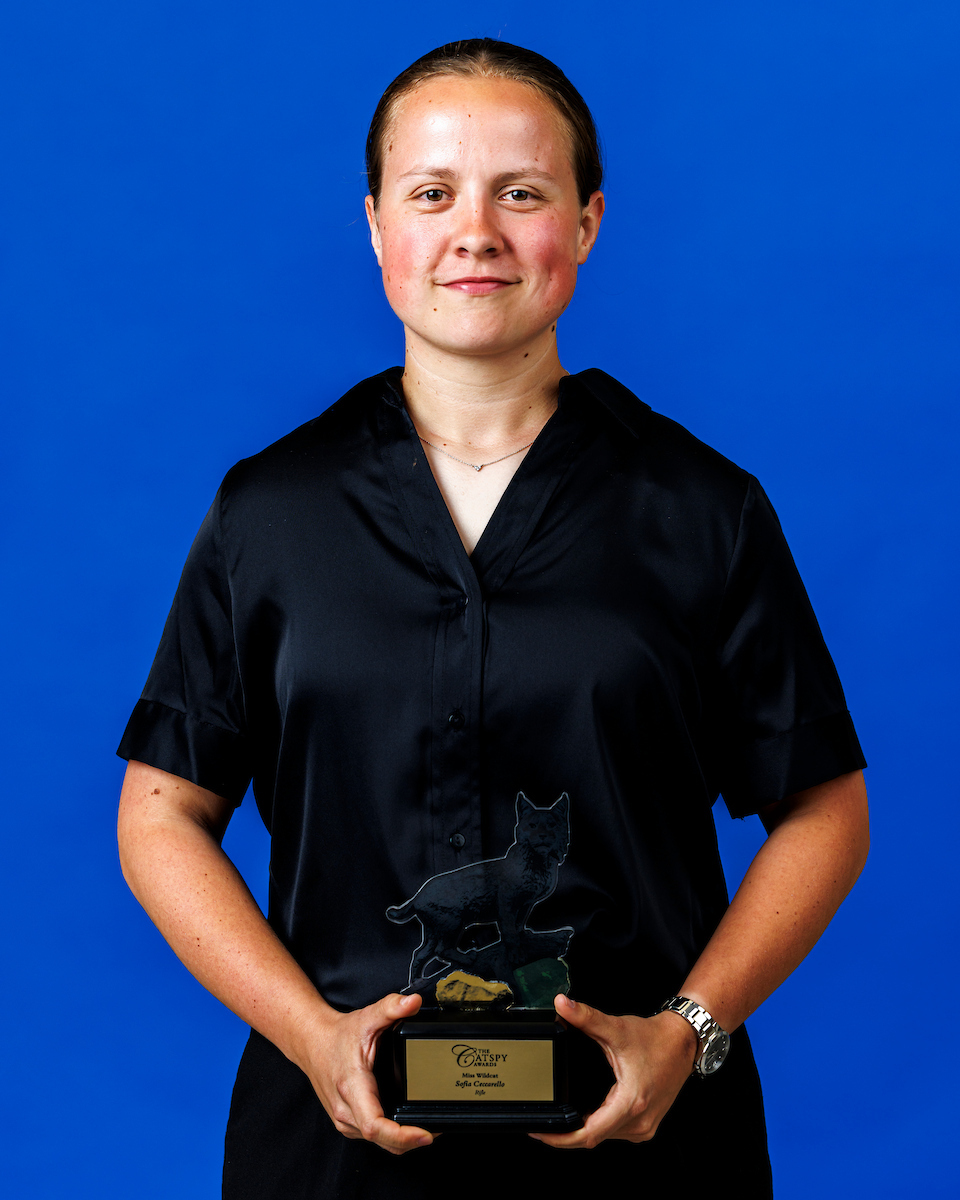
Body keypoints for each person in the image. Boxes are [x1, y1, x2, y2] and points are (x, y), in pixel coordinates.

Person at [117, 38, 869, 1199]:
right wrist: (309, 1032)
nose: (476, 232)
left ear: (588, 221)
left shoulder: (702, 509)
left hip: (646, 1148)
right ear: (376, 225)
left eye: (521, 193)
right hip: (332, 1155)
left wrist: (689, 1030)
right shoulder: (270, 512)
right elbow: (163, 812)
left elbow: (825, 808)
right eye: (432, 194)